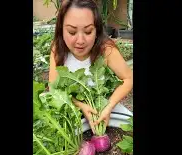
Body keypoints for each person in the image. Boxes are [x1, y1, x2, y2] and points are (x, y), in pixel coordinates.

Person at [48, 0, 133, 133]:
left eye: (88, 32)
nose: (80, 41)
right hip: (70, 107)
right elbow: (54, 88)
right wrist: (81, 105)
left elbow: (129, 78)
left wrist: (108, 106)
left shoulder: (106, 49)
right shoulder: (57, 50)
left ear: (97, 30)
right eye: (71, 32)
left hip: (104, 108)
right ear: (61, 29)